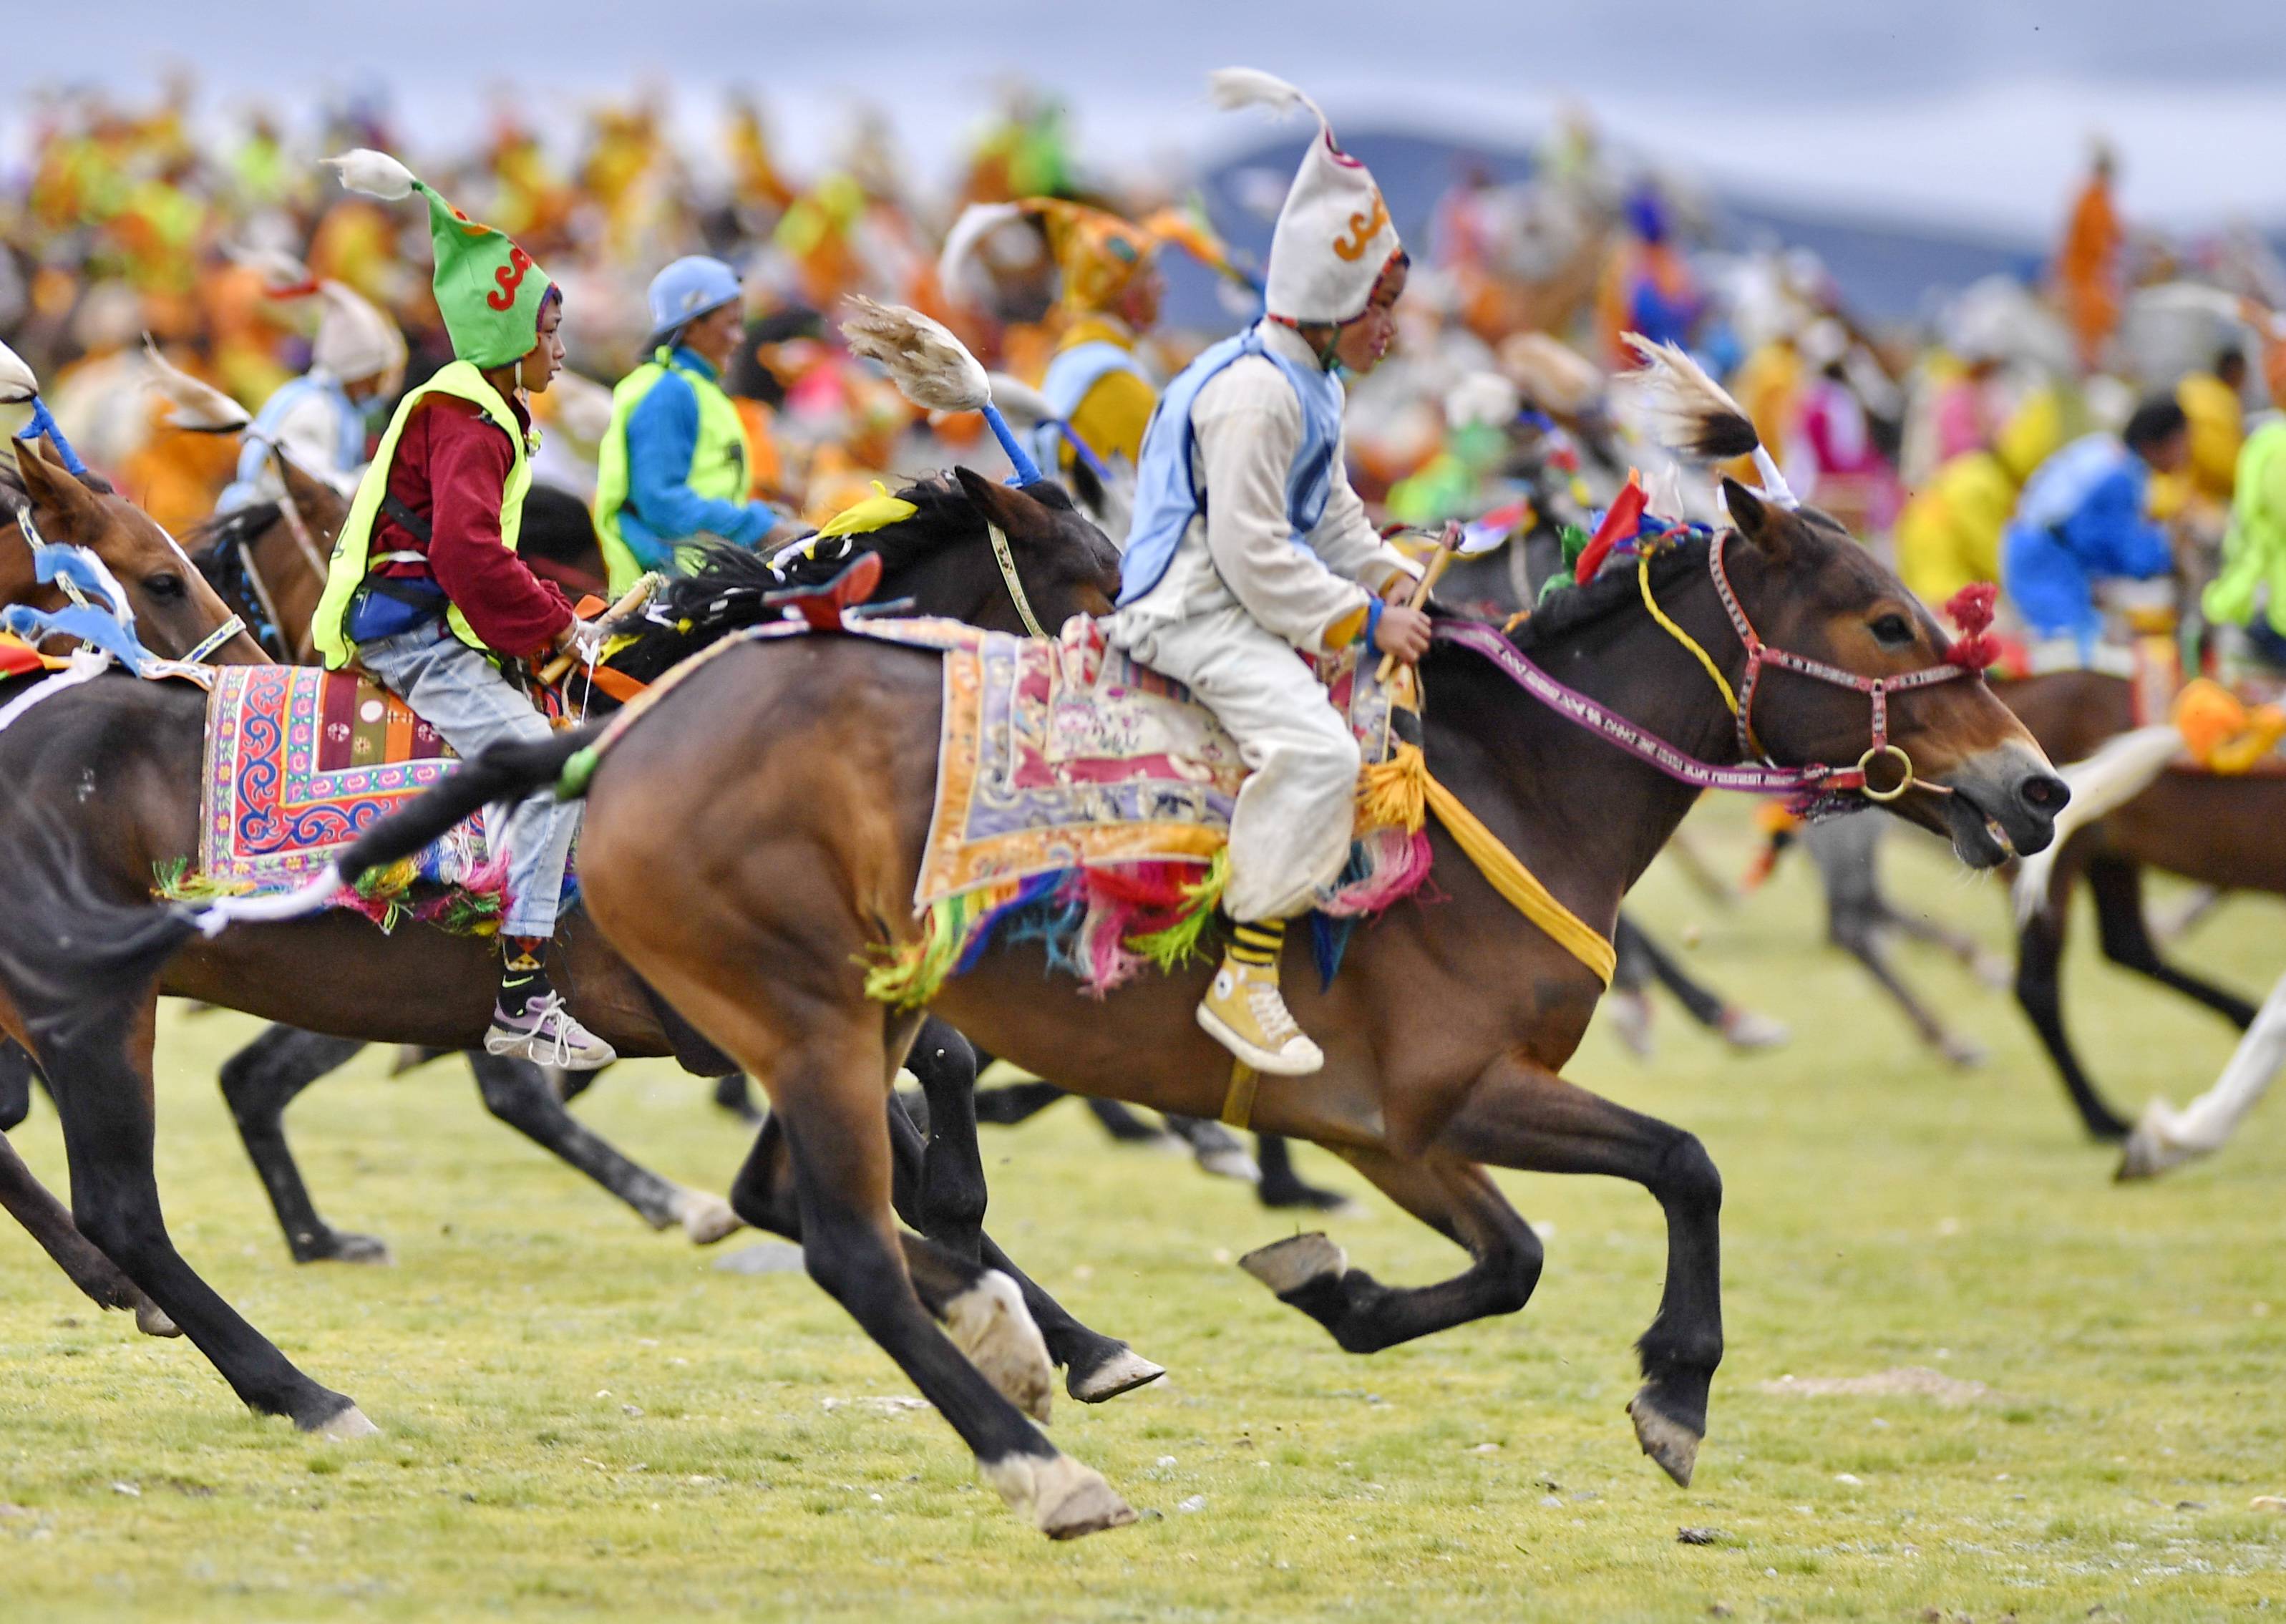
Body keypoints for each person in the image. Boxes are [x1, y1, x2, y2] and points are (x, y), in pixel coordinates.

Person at [1107, 69, 1426, 1076]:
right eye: (1381, 310)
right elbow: (1251, 554)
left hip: (1235, 602)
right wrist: (1364, 623)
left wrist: (1398, 579)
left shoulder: (1307, 381)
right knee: (1324, 756)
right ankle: (1244, 977)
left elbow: (1327, 518)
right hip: (1188, 612)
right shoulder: (1256, 395)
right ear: (1332, 303)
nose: (1392, 331)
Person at [308, 149, 613, 1069]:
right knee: (550, 767)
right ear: (513, 335)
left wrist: (555, 613)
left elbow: (480, 560)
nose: (561, 351)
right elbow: (468, 555)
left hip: (417, 621)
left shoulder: (480, 409)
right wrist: (561, 627)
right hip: (406, 636)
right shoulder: (473, 418)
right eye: (551, 332)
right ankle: (521, 994)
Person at [593, 255, 790, 595]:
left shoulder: (693, 386)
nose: (739, 338)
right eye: (731, 323)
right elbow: (663, 505)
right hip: (671, 581)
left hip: (701, 566)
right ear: (693, 325)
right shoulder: (669, 392)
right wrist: (759, 526)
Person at [2000, 398, 2189, 658]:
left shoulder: (2111, 453)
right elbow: (2119, 550)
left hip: (2038, 547)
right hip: (2045, 558)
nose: (2186, 453)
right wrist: (2167, 547)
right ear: (2156, 443)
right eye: (2181, 442)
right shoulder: (2120, 476)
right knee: (2065, 652)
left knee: (2072, 645)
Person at [216, 278, 407, 511]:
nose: (380, 387)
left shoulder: (337, 408)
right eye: (377, 376)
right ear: (358, 374)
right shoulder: (314, 409)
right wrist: (375, 478)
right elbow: (313, 485)